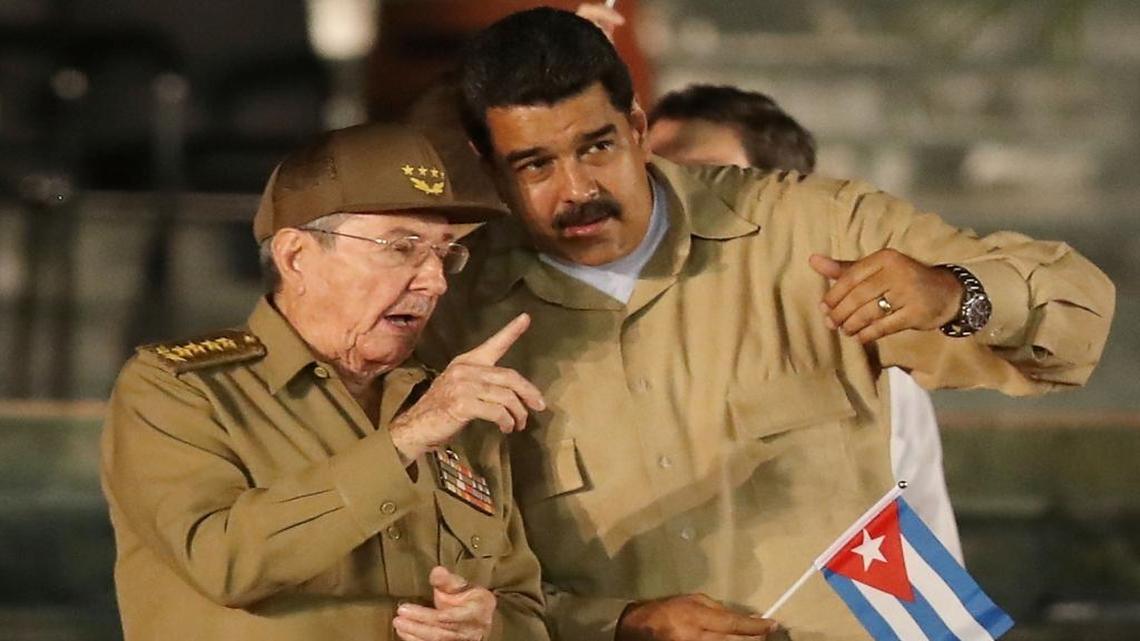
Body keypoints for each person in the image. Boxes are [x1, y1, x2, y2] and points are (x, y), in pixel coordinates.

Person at [418, 8, 1115, 641]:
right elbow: (459, 586)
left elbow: (1080, 314)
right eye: (535, 164)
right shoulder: (452, 315)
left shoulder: (808, 229)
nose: (577, 190)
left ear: (636, 127)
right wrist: (620, 624)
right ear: (490, 168)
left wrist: (954, 292)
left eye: (597, 146)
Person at [100, 123, 552, 641]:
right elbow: (222, 559)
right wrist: (403, 441)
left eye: (444, 251)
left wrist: (487, 626)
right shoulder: (178, 390)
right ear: (297, 258)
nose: (434, 280)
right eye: (402, 247)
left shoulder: (451, 408)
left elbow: (525, 607)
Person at [644, 82, 963, 563]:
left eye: (707, 178)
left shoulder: (864, 358)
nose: (671, 200)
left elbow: (916, 549)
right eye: (652, 179)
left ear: (785, 204)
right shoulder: (583, 342)